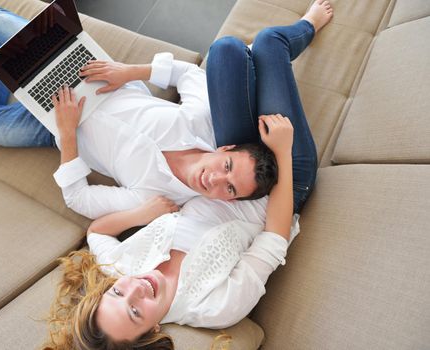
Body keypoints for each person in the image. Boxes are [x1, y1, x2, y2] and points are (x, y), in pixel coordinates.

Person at [41, 1, 334, 349]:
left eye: (118, 293)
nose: (136, 288)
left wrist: (142, 215)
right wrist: (283, 151)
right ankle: (306, 27)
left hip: (232, 164)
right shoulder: (212, 310)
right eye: (136, 311)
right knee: (271, 44)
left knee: (227, 50)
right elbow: (274, 240)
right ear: (150, 333)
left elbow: (97, 232)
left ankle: (276, 46)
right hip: (282, 184)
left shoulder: (123, 268)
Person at [0, 7, 280, 221]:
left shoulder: (155, 198)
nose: (216, 179)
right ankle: (0, 57)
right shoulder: (199, 124)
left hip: (55, 126)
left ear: (228, 201)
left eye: (230, 189)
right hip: (96, 78)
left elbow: (79, 199)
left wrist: (67, 134)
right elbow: (188, 75)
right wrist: (128, 72)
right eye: (227, 167)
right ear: (225, 150)